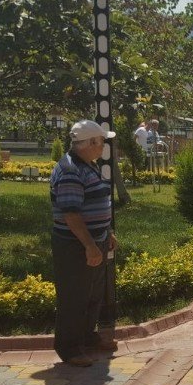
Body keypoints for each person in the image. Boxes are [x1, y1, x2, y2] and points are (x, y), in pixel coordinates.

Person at [49, 120, 119, 367]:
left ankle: (87, 338)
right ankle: (69, 348)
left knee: (91, 294)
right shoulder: (70, 170)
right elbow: (72, 214)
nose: (103, 146)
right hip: (75, 245)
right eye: (101, 142)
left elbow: (94, 203)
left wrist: (105, 232)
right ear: (90, 143)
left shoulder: (87, 165)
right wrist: (89, 245)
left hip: (93, 240)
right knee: (74, 297)